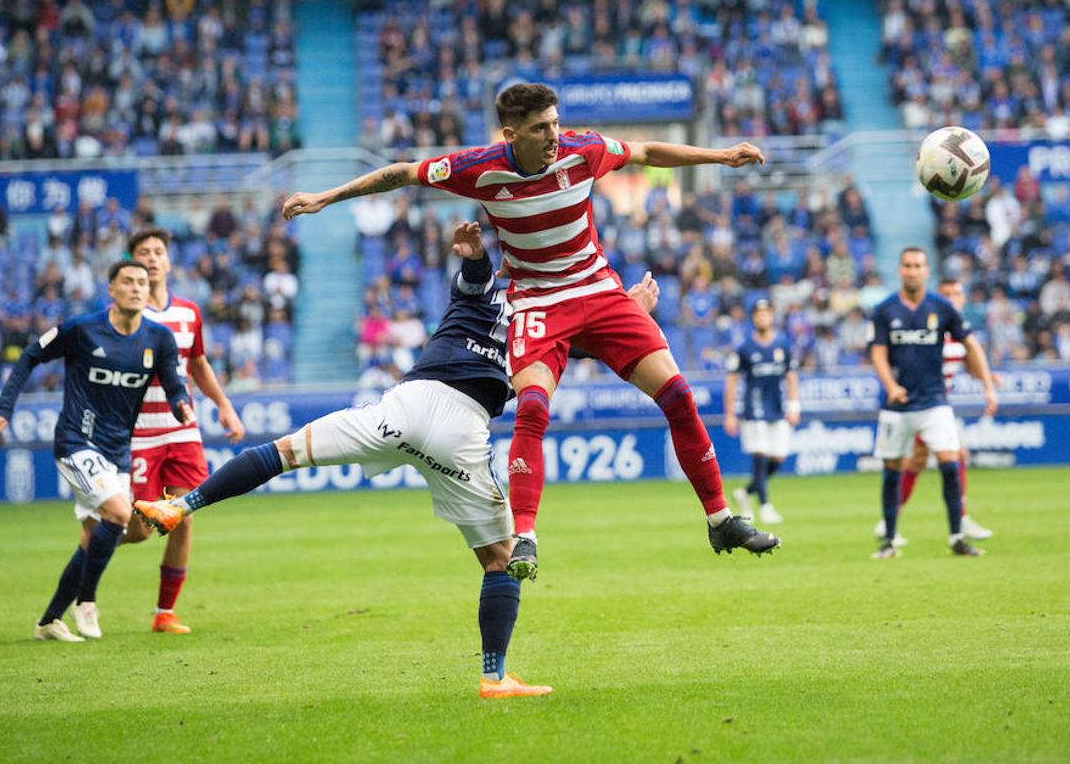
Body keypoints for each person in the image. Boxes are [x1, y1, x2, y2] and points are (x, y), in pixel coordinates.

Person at [280, 82, 779, 582]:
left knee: (677, 393)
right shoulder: (479, 167)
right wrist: (327, 197)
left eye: (556, 123)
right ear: (511, 133)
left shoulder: (584, 151)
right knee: (534, 408)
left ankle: (720, 520)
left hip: (599, 292)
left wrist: (721, 155)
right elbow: (403, 174)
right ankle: (526, 538)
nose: (554, 135)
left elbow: (647, 150)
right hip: (537, 302)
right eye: (541, 128)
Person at [135, 222, 657, 698]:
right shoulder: (530, 315)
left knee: (285, 451)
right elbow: (534, 311)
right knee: (500, 558)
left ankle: (182, 505)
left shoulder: (506, 307)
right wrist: (626, 310)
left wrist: (483, 260)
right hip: (461, 424)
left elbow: (499, 293)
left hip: (405, 405)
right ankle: (494, 676)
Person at [0, 260, 193, 641]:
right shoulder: (82, 328)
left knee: (127, 532)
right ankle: (88, 602)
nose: (136, 288)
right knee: (117, 512)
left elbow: (174, 381)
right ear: (111, 289)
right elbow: (31, 353)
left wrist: (181, 405)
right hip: (77, 441)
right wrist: (3, 410)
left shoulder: (158, 338)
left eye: (142, 282)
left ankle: (49, 621)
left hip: (118, 449)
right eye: (127, 281)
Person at [122, 228, 246, 634]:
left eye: (159, 251)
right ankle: (96, 542)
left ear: (169, 261)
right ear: (132, 264)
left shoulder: (189, 313)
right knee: (138, 530)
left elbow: (198, 365)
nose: (153, 258)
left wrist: (224, 406)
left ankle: (164, 613)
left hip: (182, 430)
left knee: (183, 516)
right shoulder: (126, 315)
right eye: (145, 253)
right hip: (140, 433)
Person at [869, 249, 997, 559]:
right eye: (908, 266)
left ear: (927, 271)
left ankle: (956, 537)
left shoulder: (942, 308)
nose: (912, 271)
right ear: (900, 270)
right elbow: (877, 352)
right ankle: (889, 539)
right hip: (897, 405)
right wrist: (890, 386)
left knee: (951, 462)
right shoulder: (884, 309)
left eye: (918, 266)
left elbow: (971, 346)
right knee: (892, 469)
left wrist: (989, 386)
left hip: (934, 401)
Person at [724, 299, 800, 525]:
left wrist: (794, 406)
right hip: (754, 409)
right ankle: (765, 505)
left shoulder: (783, 346)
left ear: (772, 316)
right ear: (753, 318)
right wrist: (730, 413)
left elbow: (791, 376)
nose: (762, 317)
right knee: (760, 454)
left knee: (778, 457)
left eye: (766, 313)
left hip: (777, 407)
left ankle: (746, 493)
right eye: (758, 314)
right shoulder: (745, 348)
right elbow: (732, 380)